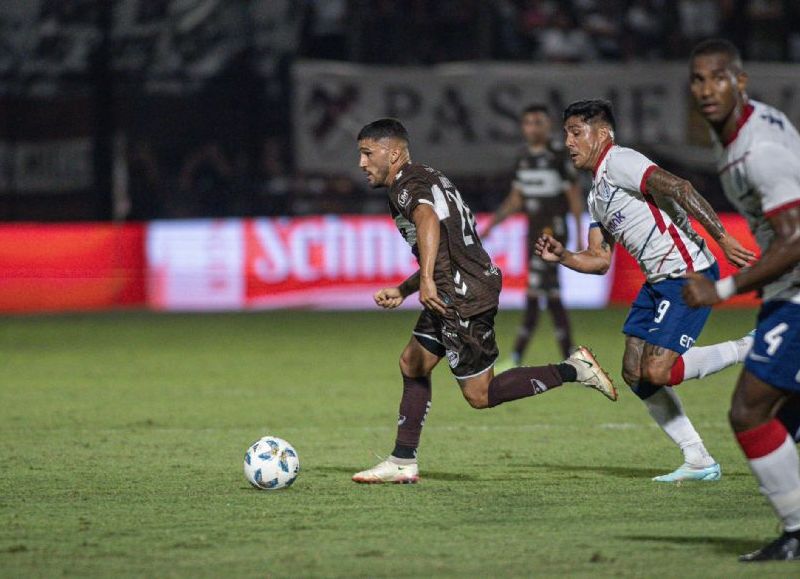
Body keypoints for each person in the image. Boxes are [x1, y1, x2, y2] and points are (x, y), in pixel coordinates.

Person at [351, 118, 617, 484]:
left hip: (461, 295)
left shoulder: (405, 187)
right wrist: (407, 288)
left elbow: (427, 221)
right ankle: (402, 460)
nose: (362, 163)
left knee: (480, 394)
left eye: (367, 153)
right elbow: (449, 246)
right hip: (458, 287)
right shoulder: (428, 176)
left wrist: (426, 279)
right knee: (413, 363)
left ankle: (574, 369)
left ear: (393, 153)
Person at [535, 99, 756, 483]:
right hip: (658, 282)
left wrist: (721, 237)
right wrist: (565, 256)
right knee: (635, 374)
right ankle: (698, 459)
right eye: (566, 133)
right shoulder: (596, 194)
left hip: (689, 273)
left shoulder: (620, 161)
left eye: (575, 132)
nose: (568, 142)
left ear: (602, 134)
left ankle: (749, 347)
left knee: (657, 371)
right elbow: (599, 260)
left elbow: (680, 187)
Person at [684, 38, 800, 562]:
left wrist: (725, 287)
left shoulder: (759, 149)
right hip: (786, 291)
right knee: (784, 417)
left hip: (796, 292)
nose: (707, 89)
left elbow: (795, 239)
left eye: (718, 78)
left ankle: (797, 532)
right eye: (698, 79)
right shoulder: (734, 137)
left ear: (740, 81)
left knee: (749, 412)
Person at [484, 104, 583, 365]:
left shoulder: (559, 155)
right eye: (528, 122)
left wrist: (580, 234)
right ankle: (570, 355)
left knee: (534, 290)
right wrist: (492, 224)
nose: (532, 127)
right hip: (533, 233)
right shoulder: (523, 158)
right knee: (550, 295)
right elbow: (516, 200)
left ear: (548, 125)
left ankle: (516, 355)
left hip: (553, 232)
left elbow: (573, 194)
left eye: (538, 122)